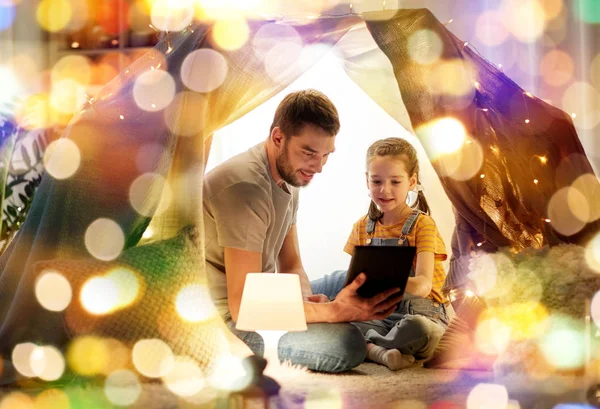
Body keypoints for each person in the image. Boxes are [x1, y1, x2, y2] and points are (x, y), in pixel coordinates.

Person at [203, 90, 403, 373]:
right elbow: (244, 306)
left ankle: (390, 326)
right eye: (309, 153)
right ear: (277, 138)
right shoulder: (245, 190)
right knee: (346, 344)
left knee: (347, 281)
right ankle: (373, 338)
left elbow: (292, 264)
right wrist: (330, 313)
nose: (318, 167)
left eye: (325, 155)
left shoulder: (289, 177)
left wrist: (306, 300)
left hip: (267, 295)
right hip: (230, 318)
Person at [311, 137, 449, 370]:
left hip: (420, 312)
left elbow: (423, 286)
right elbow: (355, 285)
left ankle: (374, 348)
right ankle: (384, 352)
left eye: (395, 181)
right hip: (376, 314)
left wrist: (384, 281)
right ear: (367, 180)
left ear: (412, 181)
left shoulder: (423, 224)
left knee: (419, 329)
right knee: (334, 328)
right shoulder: (361, 227)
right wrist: (336, 304)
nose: (385, 190)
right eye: (377, 181)